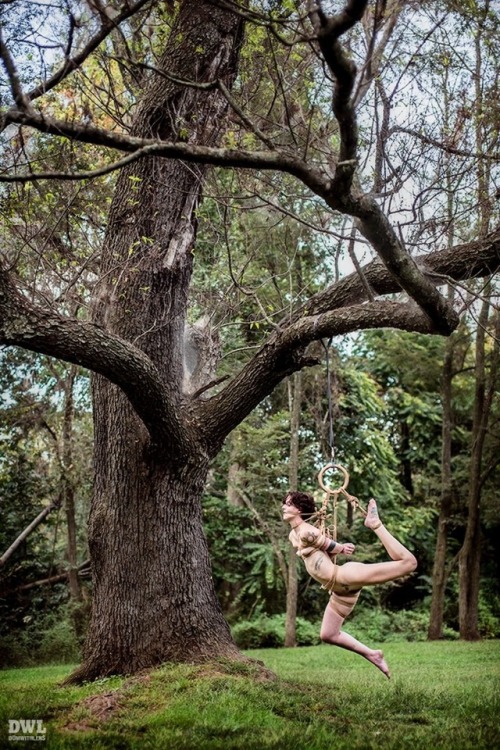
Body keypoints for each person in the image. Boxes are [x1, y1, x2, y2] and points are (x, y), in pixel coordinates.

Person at [283, 490, 418, 679]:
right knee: (328, 634)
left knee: (409, 563)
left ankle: (375, 524)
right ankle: (373, 654)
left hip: (345, 576)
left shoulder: (307, 531)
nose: (284, 506)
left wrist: (341, 548)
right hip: (339, 590)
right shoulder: (294, 534)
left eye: (288, 504)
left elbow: (330, 545)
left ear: (299, 509)